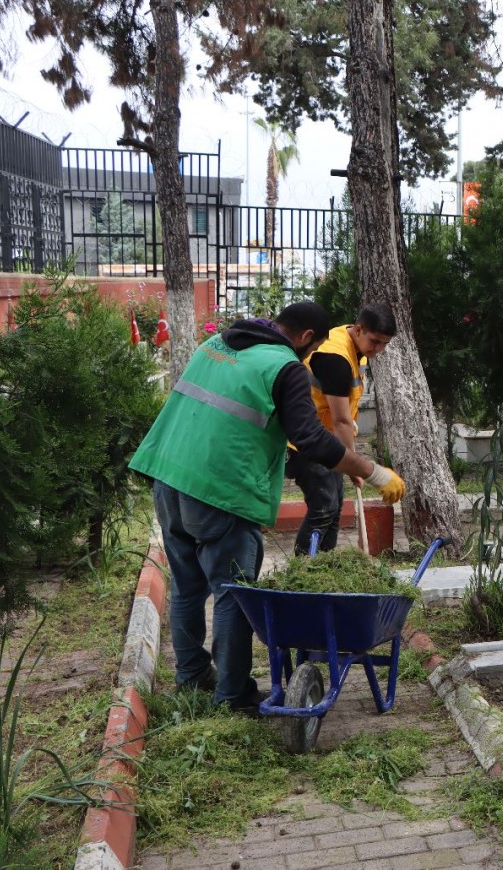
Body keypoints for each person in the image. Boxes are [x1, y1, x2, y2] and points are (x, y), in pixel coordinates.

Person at [129, 301, 406, 714]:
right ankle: (232, 694)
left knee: (188, 587)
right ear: (307, 337)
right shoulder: (285, 366)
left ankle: (190, 677)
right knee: (232, 593)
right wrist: (374, 471)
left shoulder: (216, 344)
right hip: (220, 490)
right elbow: (311, 438)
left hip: (167, 477)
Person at [287, 304, 397, 555]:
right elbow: (341, 420)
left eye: (384, 344)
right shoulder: (335, 358)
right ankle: (304, 571)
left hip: (328, 441)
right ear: (358, 329)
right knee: (324, 507)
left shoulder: (353, 344)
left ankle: (326, 567)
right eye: (375, 341)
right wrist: (353, 464)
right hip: (305, 442)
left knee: (334, 508)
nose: (378, 350)